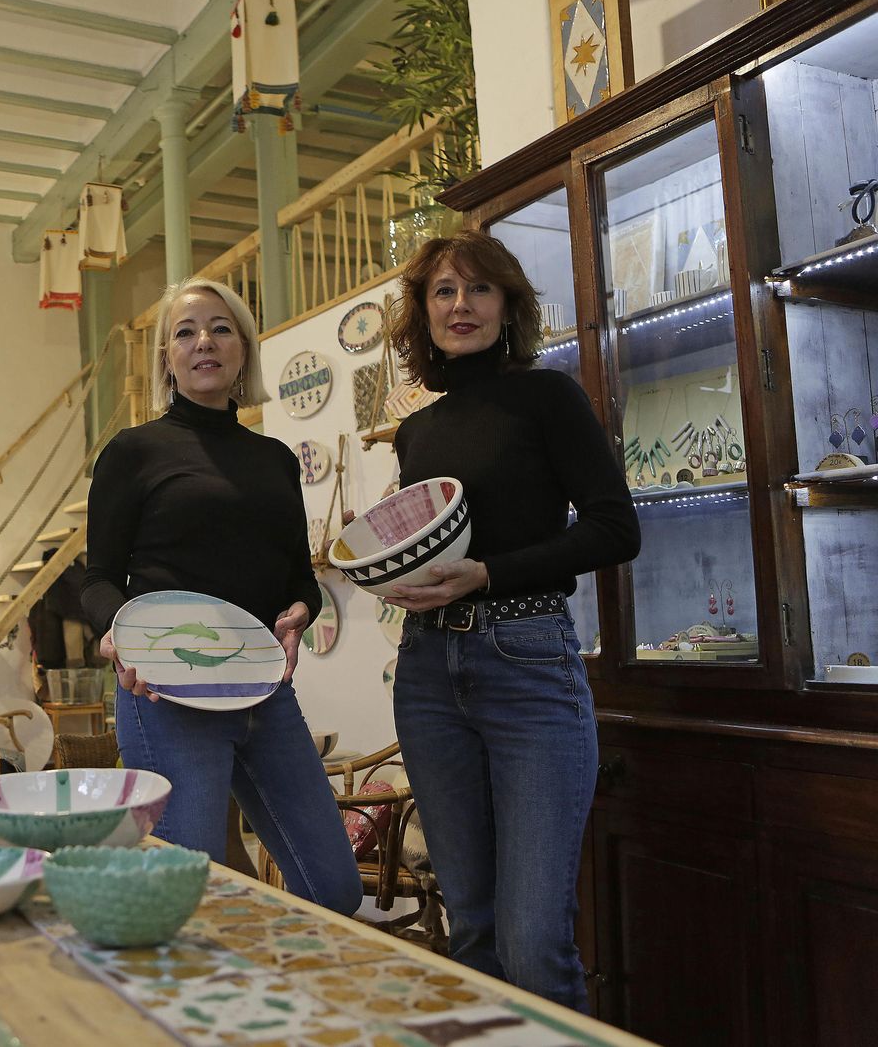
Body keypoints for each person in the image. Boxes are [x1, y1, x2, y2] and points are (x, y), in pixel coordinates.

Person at [376, 231, 640, 1011]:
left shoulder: (548, 396)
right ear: (423, 314)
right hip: (426, 672)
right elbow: (436, 543)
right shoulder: (417, 430)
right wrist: (393, 574)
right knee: (474, 934)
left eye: (479, 290)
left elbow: (615, 528)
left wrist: (489, 572)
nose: (462, 305)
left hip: (528, 656)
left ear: (508, 306)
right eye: (444, 292)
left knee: (533, 942)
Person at [81, 277, 362, 916]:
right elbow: (97, 580)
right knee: (189, 898)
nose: (203, 341)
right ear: (166, 358)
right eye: (185, 332)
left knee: (335, 890)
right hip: (165, 697)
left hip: (265, 694)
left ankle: (285, 1005)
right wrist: (115, 632)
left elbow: (297, 577)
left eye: (220, 328)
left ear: (242, 350)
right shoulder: (132, 453)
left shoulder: (274, 460)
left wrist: (302, 612)